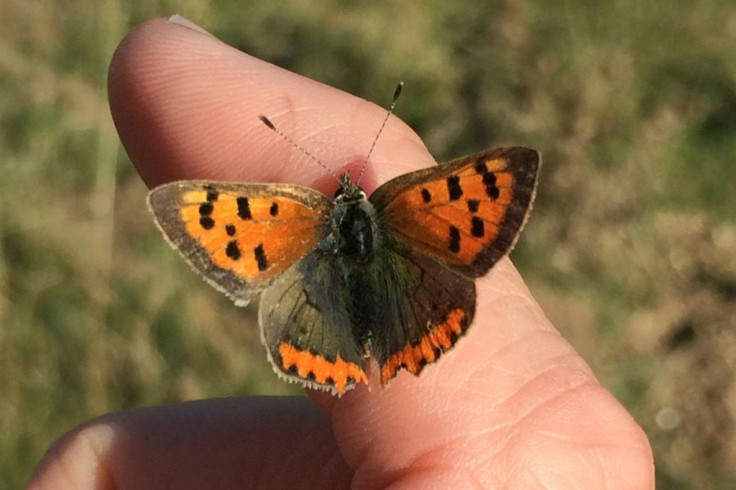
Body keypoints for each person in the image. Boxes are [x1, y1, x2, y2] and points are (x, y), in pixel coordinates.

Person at [27, 16, 654, 489]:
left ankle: (357, 353)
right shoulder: (410, 203)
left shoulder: (295, 214)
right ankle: (385, 348)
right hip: (416, 290)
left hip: (321, 293)